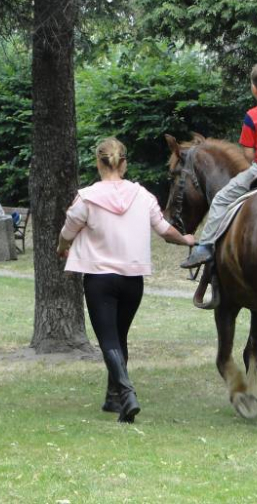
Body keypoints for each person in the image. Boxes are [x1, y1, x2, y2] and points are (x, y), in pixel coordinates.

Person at [57, 137, 194, 423]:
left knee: (108, 340)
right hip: (133, 280)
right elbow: (165, 230)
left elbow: (68, 231)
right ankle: (113, 399)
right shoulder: (142, 196)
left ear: (98, 162)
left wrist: (61, 248)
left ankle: (127, 394)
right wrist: (186, 240)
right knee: (120, 337)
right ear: (124, 163)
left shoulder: (87, 198)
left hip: (99, 279)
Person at [181, 63, 257, 269]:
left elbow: (247, 153)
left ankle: (205, 247)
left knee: (220, 199)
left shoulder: (252, 116)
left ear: (254, 88)